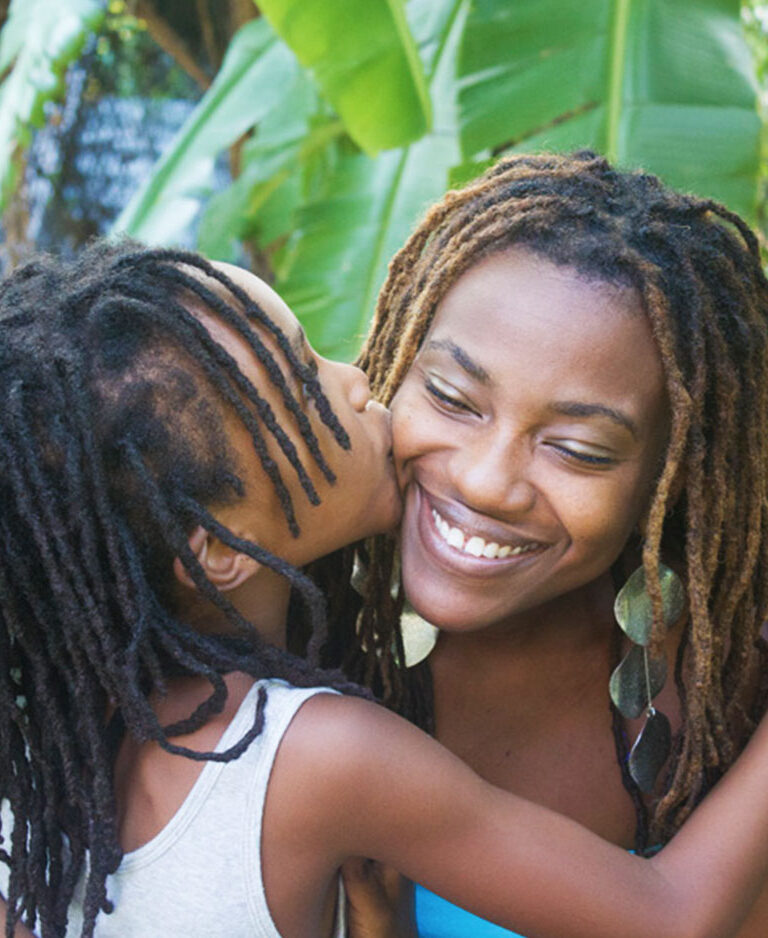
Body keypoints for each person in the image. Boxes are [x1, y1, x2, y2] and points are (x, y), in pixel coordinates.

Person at [3, 242, 768, 938]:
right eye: (306, 382)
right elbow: (672, 918)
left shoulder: (61, 748)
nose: (358, 377)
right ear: (219, 548)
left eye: (576, 447)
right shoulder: (327, 751)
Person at [323, 150, 768, 937]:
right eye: (453, 398)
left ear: (668, 476)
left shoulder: (727, 674)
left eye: (578, 450)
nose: (486, 481)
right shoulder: (295, 632)